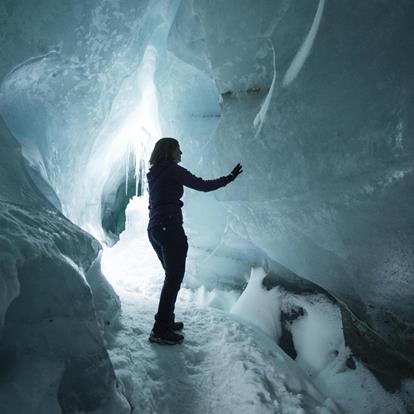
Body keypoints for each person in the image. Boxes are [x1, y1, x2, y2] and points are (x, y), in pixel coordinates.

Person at [146, 137, 243, 345]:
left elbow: (153, 204)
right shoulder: (172, 170)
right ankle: (160, 329)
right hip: (170, 228)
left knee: (171, 278)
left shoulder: (153, 174)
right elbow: (202, 185)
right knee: (173, 279)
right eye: (178, 150)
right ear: (169, 151)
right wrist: (229, 178)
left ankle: (167, 321)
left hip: (154, 229)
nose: (181, 154)